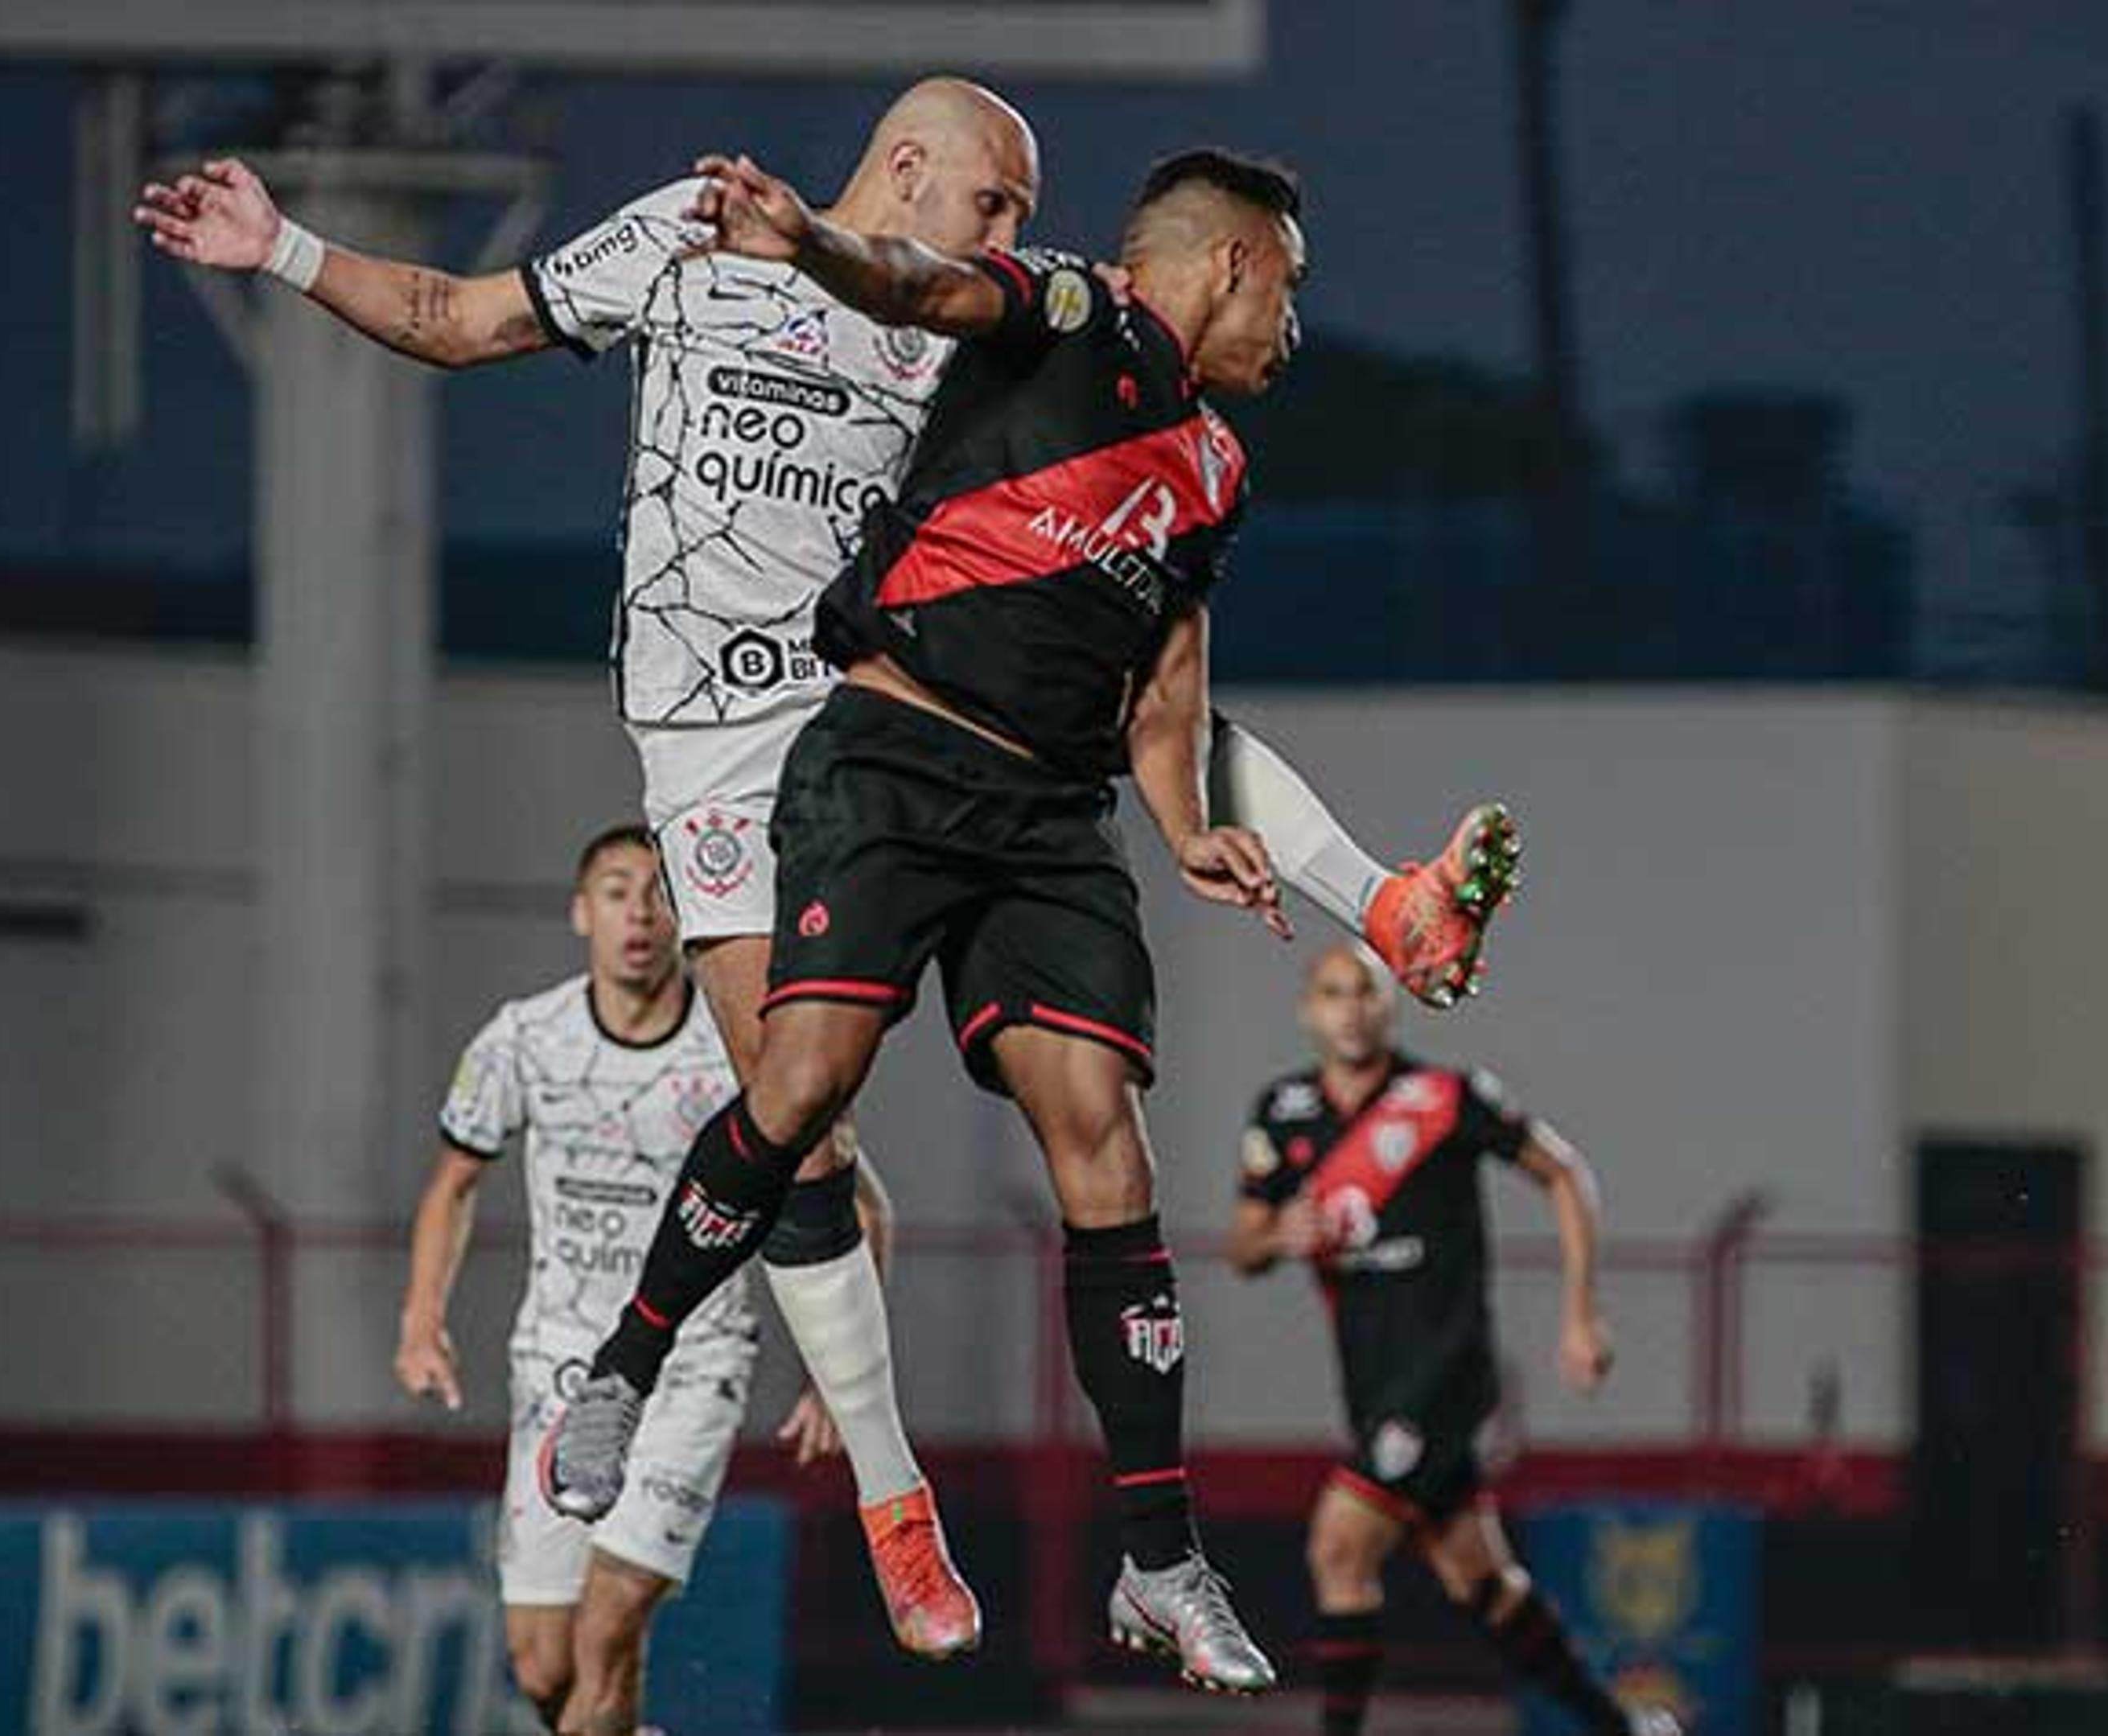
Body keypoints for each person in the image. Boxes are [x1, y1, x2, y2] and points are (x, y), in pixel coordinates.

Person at [132, 77, 1510, 1656]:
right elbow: (455, 313)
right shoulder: (690, 240)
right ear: (908, 163)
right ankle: (888, 1481)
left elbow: (975, 342)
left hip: (889, 687)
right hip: (714, 738)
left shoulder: (981, 317)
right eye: (994, 199)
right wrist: (284, 246)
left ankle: (1385, 905)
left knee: (1104, 677)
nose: (1012, 230)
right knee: (798, 1104)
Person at [545, 143, 1346, 1695]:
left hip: (1050, 821)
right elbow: (920, 280)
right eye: (1290, 291)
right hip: (896, 760)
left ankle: (1161, 1559)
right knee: (804, 1086)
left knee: (1103, 1138)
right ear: (1235, 261)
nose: (1294, 332)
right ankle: (622, 1371)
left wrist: (1186, 829)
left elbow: (1167, 685)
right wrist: (811, 246)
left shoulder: (1216, 472)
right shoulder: (1068, 313)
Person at [394, 824, 864, 1734]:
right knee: (542, 1663)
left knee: (610, 1626)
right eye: (616, 891)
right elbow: (453, 1183)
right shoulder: (525, 1039)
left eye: (657, 891)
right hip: (559, 1365)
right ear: (582, 913)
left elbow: (859, 1202)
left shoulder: (741, 1049)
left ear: (685, 914)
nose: (639, 913)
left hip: (695, 1365)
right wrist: (422, 1318)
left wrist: (841, 1374)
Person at [1229, 946, 1678, 1736]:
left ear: (1389, 1005)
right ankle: (1621, 1727)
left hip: (1447, 1369)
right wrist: (1277, 1235)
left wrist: (1581, 1312)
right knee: (1481, 1577)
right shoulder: (1284, 1110)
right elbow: (1243, 1245)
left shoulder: (1443, 1098)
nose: (1351, 1008)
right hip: (1372, 1381)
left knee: (1339, 1547)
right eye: (1332, 993)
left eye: (1365, 990)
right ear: (1309, 1009)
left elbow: (1565, 1175)